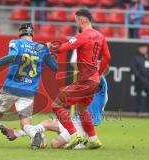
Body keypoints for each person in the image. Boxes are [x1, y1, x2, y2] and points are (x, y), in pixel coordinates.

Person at [0, 23, 58, 149]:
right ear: (32, 33)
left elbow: (12, 57)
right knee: (25, 121)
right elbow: (55, 68)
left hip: (11, 87)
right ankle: (35, 134)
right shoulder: (41, 48)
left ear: (20, 32)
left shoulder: (16, 43)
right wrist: (50, 52)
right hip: (29, 90)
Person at [46, 9, 111, 149]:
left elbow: (62, 49)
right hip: (94, 81)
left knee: (56, 105)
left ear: (82, 20)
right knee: (82, 109)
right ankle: (93, 139)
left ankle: (75, 134)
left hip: (85, 80)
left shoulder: (82, 36)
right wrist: (98, 73)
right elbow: (107, 57)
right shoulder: (100, 36)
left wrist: (50, 46)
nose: (76, 23)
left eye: (76, 20)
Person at [0, 67, 109, 149]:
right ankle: (16, 133)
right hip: (76, 120)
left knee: (54, 144)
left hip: (84, 125)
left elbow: (97, 76)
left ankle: (82, 144)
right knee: (46, 123)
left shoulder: (101, 83)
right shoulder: (90, 86)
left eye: (98, 66)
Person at [130, 43, 149, 117]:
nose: (144, 49)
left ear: (147, 49)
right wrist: (140, 78)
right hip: (140, 81)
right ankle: (138, 112)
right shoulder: (136, 58)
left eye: (145, 48)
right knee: (139, 98)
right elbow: (134, 69)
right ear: (139, 49)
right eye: (142, 48)